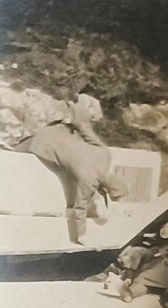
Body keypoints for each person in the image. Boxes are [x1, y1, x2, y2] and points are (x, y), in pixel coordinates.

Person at [22, 93, 128, 243]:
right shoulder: (89, 182)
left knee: (21, 143)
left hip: (56, 132)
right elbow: (80, 209)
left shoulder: (105, 153)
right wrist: (82, 234)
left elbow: (83, 127)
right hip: (47, 148)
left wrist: (75, 105)